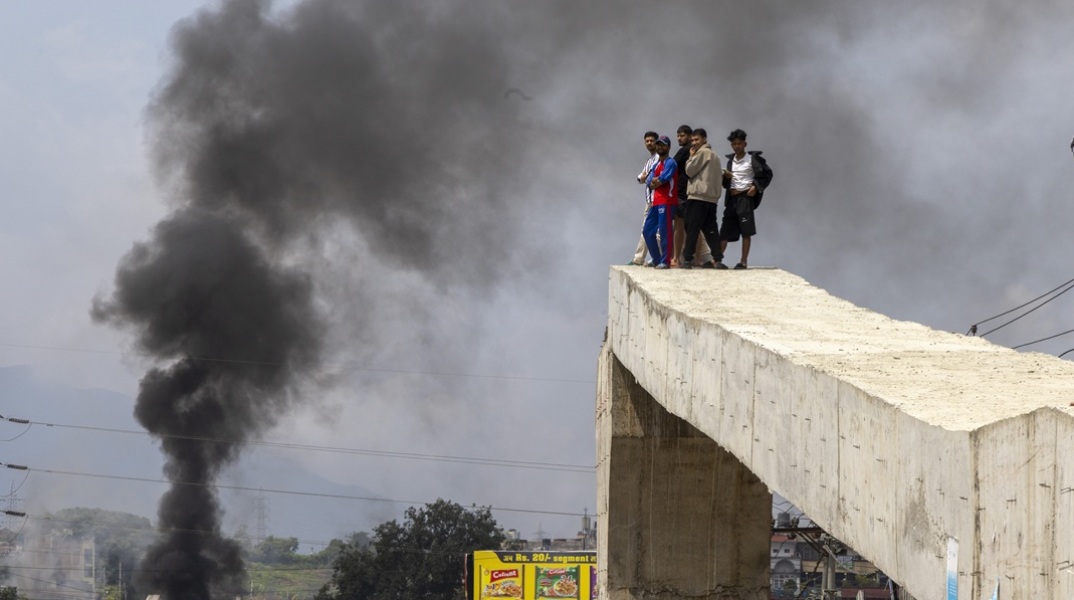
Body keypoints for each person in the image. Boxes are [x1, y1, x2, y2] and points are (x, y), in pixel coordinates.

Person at [719, 129, 773, 270]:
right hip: (732, 198)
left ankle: (743, 261)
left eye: (739, 143)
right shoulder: (731, 161)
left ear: (745, 144)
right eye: (734, 144)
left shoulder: (752, 159)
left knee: (746, 230)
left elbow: (768, 174)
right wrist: (726, 178)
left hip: (745, 198)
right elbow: (725, 184)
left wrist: (756, 186)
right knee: (725, 229)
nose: (737, 146)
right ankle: (717, 259)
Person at [681, 128, 725, 269]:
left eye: (696, 140)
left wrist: (690, 157)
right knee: (710, 229)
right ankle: (717, 258)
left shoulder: (701, 153)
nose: (694, 143)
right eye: (692, 140)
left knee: (692, 227)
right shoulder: (715, 156)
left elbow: (689, 170)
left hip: (698, 196)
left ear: (704, 139)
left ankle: (688, 259)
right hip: (711, 199)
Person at [671, 124, 713, 267]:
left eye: (682, 135)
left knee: (680, 226)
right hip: (691, 193)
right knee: (694, 228)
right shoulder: (697, 152)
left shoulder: (685, 150)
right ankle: (696, 258)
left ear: (689, 137)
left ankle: (677, 258)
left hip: (684, 194)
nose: (679, 138)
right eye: (678, 135)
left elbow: (671, 165)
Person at [642, 136, 677, 269]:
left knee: (664, 231)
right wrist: (655, 181)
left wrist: (656, 181)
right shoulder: (656, 164)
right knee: (647, 231)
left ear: (668, 147)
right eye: (658, 145)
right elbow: (650, 182)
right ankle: (656, 259)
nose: (660, 147)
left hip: (667, 202)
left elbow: (662, 180)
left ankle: (665, 261)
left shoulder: (670, 163)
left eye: (663, 145)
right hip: (656, 202)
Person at [628, 131, 660, 266]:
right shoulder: (650, 160)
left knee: (656, 231)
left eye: (652, 141)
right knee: (647, 229)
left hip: (657, 199)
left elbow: (651, 177)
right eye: (647, 141)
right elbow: (640, 177)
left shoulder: (659, 158)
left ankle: (656, 258)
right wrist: (643, 177)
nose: (649, 143)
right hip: (650, 200)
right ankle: (639, 258)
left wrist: (645, 177)